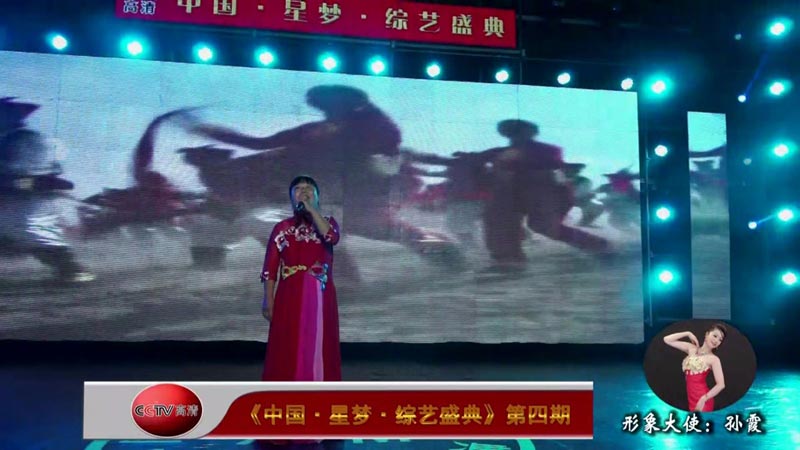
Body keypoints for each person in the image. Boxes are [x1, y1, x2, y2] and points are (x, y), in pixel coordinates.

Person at [260, 175, 342, 383]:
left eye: (309, 189)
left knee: (319, 340)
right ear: (291, 197)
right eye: (298, 189)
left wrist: (312, 210)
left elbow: (332, 237)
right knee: (288, 340)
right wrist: (268, 298)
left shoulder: (329, 223)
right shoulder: (282, 228)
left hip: (320, 295)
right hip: (290, 294)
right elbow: (270, 267)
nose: (303, 191)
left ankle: (319, 385)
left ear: (317, 196)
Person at [663, 324, 727, 412]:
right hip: (691, 398)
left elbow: (721, 385)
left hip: (703, 400)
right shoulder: (691, 348)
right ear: (707, 334)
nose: (716, 340)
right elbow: (667, 339)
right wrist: (688, 333)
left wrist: (704, 399)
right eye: (715, 336)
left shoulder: (714, 359)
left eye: (720, 340)